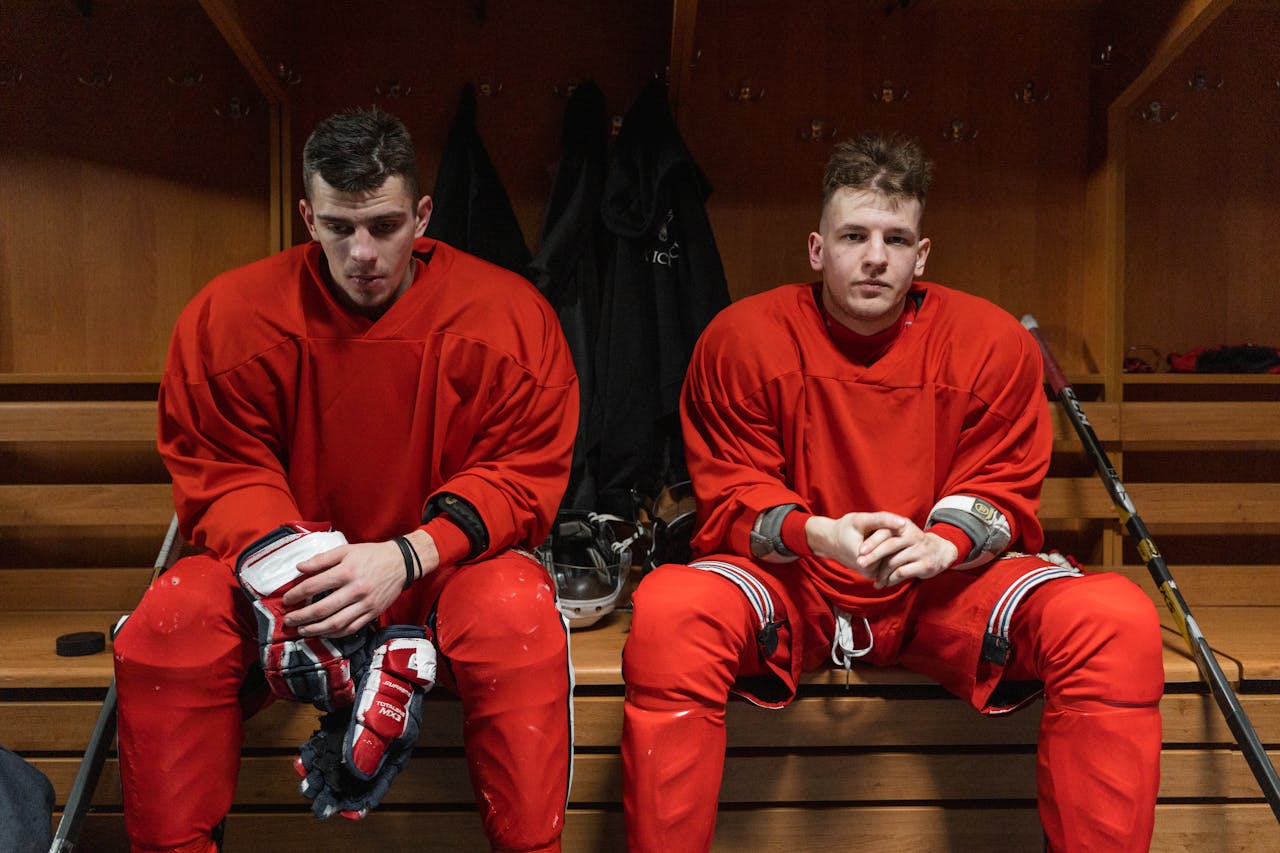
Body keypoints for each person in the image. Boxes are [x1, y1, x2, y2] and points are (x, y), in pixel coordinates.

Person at [620, 133, 1164, 852]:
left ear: (921, 254)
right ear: (817, 249)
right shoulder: (742, 338)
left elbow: (1000, 485)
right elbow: (732, 493)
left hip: (941, 590)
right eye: (854, 235)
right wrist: (820, 533)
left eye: (894, 238)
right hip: (798, 582)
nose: (875, 256)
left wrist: (942, 543)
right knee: (670, 610)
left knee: (1115, 617)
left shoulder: (990, 340)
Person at [113, 106, 577, 853]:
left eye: (385, 225)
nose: (362, 251)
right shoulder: (229, 317)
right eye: (338, 226)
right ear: (307, 215)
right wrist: (299, 575)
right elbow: (219, 464)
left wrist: (403, 556)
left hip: (438, 574)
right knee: (170, 623)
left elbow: (524, 470)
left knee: (516, 616)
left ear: (423, 214)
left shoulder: (510, 317)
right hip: (288, 586)